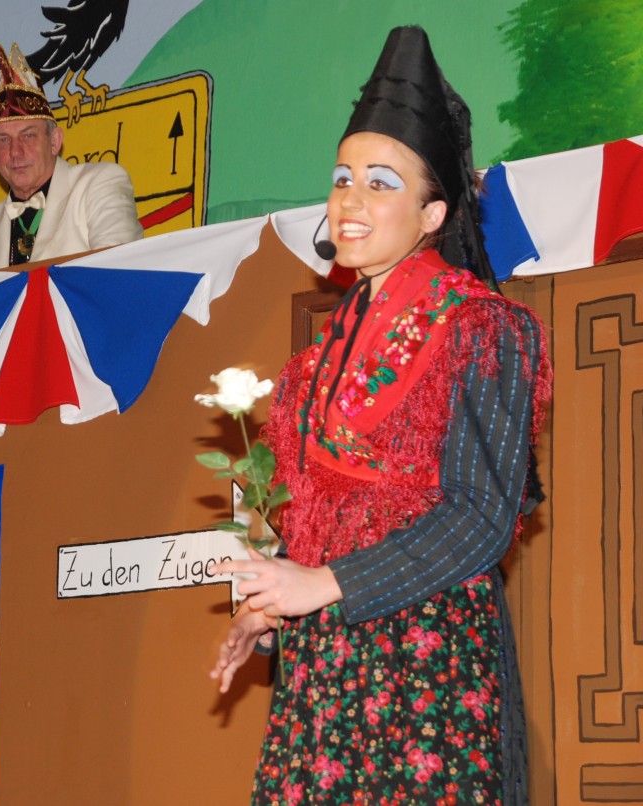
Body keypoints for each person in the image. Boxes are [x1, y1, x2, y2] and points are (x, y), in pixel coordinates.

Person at [208, 27, 551, 805]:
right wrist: (271, 608)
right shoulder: (309, 370)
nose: (350, 200)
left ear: (433, 214)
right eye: (342, 178)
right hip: (321, 682)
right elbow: (316, 526)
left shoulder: (483, 331)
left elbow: (480, 519)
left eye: (380, 182)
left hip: (427, 671)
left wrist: (322, 583)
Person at [0, 41, 143, 273]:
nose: (15, 152)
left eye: (28, 136)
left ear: (55, 141)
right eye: (3, 140)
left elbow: (118, 273)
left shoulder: (100, 184)